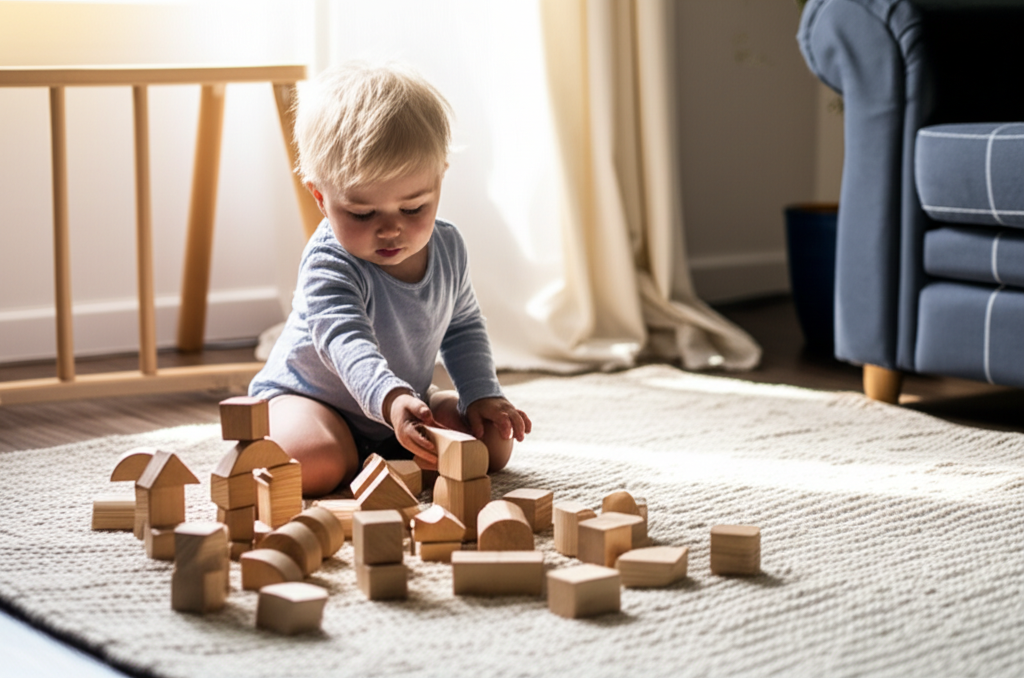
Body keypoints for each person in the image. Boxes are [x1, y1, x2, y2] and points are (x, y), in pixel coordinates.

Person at [249, 62, 531, 497]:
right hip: (311, 402)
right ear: (321, 197)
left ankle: (378, 453)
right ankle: (340, 452)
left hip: (400, 405)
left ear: (439, 179)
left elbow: (463, 328)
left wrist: (480, 394)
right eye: (363, 214)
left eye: (413, 208)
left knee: (490, 444)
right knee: (316, 462)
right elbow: (347, 344)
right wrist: (392, 399)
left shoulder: (449, 248)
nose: (390, 230)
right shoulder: (330, 262)